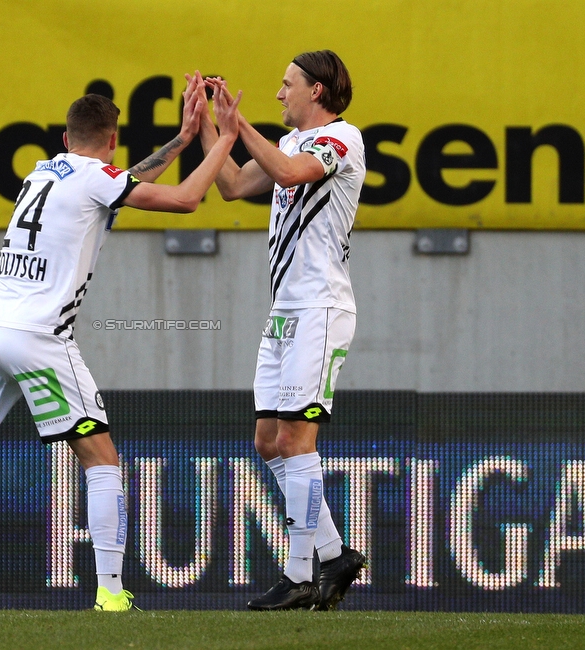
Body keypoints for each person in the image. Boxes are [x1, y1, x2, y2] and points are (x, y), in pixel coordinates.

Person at [0, 75, 240, 612]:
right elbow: (186, 199)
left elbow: (122, 183)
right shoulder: (98, 177)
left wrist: (183, 141)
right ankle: (112, 593)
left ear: (67, 138)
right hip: (40, 337)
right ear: (112, 140)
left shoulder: (42, 172)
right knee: (101, 458)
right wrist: (222, 138)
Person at [195, 51, 367, 611]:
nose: (279, 94)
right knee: (268, 441)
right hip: (286, 312)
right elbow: (230, 184)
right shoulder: (289, 144)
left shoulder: (343, 138)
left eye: (286, 84)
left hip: (320, 309)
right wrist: (206, 122)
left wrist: (237, 123)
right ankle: (336, 554)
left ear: (316, 91)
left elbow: (292, 175)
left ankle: (298, 576)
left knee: (297, 440)